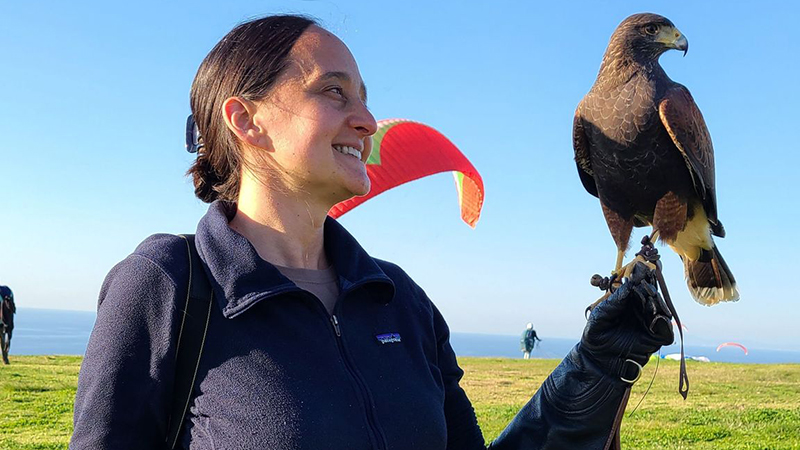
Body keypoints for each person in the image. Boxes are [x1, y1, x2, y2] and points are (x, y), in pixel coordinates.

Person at [70, 15, 674, 449]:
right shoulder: (168, 286)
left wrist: (596, 366)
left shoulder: (400, 299)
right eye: (333, 92)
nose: (365, 121)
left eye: (364, 97)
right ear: (246, 120)